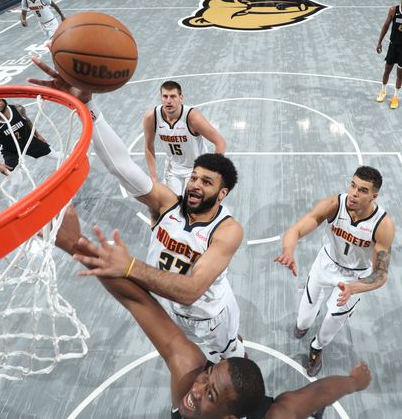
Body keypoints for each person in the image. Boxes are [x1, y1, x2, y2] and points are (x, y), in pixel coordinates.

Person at [54, 205, 373, 418]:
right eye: (207, 378)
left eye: (209, 393)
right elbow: (141, 302)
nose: (194, 390)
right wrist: (76, 246)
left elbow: (320, 392)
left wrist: (353, 383)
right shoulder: (190, 372)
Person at [30, 58, 245, 362]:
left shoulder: (228, 230)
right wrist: (87, 105)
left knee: (230, 358)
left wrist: (130, 267)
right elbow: (121, 166)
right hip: (170, 306)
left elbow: (192, 289)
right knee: (185, 355)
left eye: (206, 182)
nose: (194, 185)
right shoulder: (167, 203)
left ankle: (236, 351)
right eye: (194, 177)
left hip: (211, 316)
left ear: (222, 193)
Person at [274, 166, 395, 376]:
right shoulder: (334, 204)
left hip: (354, 276)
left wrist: (354, 287)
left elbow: (381, 274)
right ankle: (306, 324)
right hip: (326, 264)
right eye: (353, 185)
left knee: (333, 321)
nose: (354, 193)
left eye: (362, 190)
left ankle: (317, 348)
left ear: (374, 196)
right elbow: (296, 229)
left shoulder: (383, 225)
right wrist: (288, 251)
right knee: (303, 318)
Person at [143, 81, 226, 195]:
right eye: (165, 96)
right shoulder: (151, 117)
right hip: (172, 170)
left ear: (181, 98)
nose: (168, 101)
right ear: (160, 97)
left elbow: (220, 142)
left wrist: (212, 171)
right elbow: (148, 146)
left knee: (191, 207)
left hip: (196, 170)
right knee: (171, 206)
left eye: (173, 96)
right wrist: (153, 177)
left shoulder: (192, 118)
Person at [0, 98, 53, 175]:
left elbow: (27, 122)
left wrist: (37, 135)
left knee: (54, 155)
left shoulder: (18, 109)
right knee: (16, 182)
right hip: (10, 151)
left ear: (4, 101)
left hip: (28, 141)